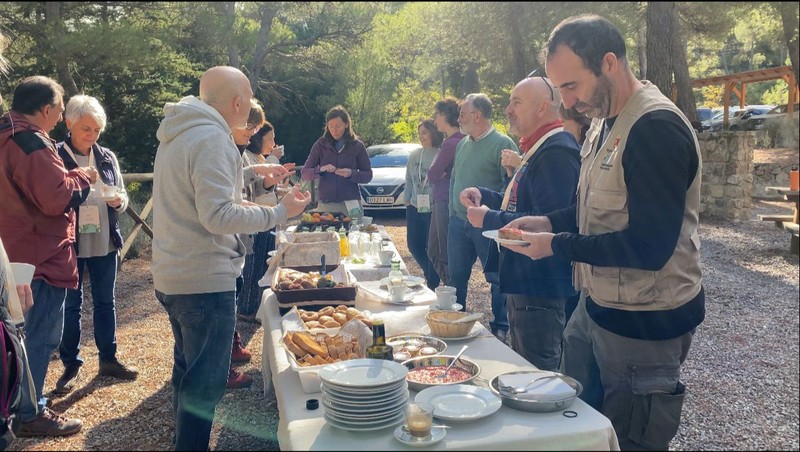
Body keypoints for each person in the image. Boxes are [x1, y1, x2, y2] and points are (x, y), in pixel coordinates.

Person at [504, 15, 704, 450]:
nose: (569, 103)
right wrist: (550, 222)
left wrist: (554, 245)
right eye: (560, 91)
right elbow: (595, 210)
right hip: (595, 309)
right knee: (578, 430)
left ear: (609, 62)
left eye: (572, 87)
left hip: (645, 326)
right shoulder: (602, 121)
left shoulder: (655, 129)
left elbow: (650, 247)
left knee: (631, 439)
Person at [151, 65, 311, 451]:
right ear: (239, 102)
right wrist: (279, 212)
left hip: (174, 275)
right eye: (250, 97)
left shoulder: (181, 131)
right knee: (205, 386)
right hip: (204, 280)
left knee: (187, 375)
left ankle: (183, 441)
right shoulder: (212, 139)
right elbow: (217, 215)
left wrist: (255, 174)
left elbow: (202, 195)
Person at [461, 76, 580, 371]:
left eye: (516, 102)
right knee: (529, 368)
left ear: (542, 108)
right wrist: (486, 195)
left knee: (538, 374)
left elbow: (546, 223)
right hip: (528, 284)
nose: (508, 109)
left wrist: (487, 217)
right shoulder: (539, 147)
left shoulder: (555, 152)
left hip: (540, 287)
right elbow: (522, 203)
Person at [0, 76, 92, 437]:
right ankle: (29, 411)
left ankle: (15, 406)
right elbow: (54, 198)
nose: (58, 118)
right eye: (58, 109)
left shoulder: (5, 133)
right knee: (37, 337)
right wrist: (82, 177)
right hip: (39, 256)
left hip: (12, 253)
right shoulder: (30, 140)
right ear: (46, 108)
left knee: (13, 337)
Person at [52, 95, 138, 396]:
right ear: (69, 123)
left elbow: (122, 195)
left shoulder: (106, 157)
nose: (91, 135)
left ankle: (108, 358)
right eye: (85, 129)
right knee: (71, 305)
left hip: (104, 240)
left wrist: (120, 200)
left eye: (96, 130)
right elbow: (51, 198)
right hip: (70, 243)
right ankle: (71, 365)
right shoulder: (55, 155)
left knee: (105, 302)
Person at [448, 93, 518, 342]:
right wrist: (451, 214)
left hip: (487, 224)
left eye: (462, 114)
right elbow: (455, 180)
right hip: (458, 222)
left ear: (477, 115)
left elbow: (512, 188)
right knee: (456, 275)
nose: (459, 118)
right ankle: (456, 323)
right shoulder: (462, 143)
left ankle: (500, 327)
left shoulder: (503, 143)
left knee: (496, 277)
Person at [300, 105, 372, 218]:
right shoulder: (320, 145)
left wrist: (351, 174)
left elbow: (368, 175)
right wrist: (320, 170)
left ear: (346, 124)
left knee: (353, 235)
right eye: (331, 126)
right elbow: (305, 173)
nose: (334, 130)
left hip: (351, 203)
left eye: (338, 126)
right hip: (326, 205)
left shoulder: (358, 146)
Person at [427, 97, 464, 286]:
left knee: (442, 252)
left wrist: (442, 173)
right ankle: (450, 290)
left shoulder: (451, 143)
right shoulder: (455, 140)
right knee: (434, 251)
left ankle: (452, 293)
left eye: (437, 116)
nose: (435, 121)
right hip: (441, 199)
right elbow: (435, 173)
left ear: (445, 115)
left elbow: (432, 174)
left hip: (444, 201)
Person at [404, 119, 443, 290]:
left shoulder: (442, 153)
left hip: (433, 207)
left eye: (424, 133)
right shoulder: (415, 154)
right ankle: (430, 273)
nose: (421, 137)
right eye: (419, 133)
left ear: (434, 132)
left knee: (431, 247)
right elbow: (408, 178)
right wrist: (407, 198)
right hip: (414, 205)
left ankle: (433, 282)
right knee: (413, 245)